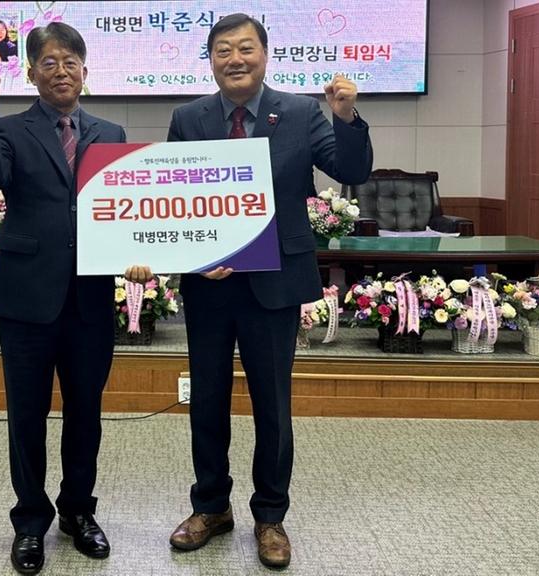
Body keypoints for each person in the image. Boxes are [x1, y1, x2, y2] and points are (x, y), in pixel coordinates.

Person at [165, 13, 373, 569]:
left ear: (265, 54)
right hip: (209, 284)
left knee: (273, 406)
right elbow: (176, 197)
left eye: (245, 48)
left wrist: (346, 116)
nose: (234, 59)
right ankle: (211, 507)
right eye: (223, 50)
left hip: (275, 281)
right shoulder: (188, 117)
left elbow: (351, 168)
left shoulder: (302, 112)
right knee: (207, 400)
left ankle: (270, 516)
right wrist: (190, 257)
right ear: (210, 60)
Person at [0, 22, 148, 575]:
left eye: (71, 61)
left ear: (85, 71)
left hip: (89, 297)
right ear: (31, 73)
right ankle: (29, 522)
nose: (61, 71)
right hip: (27, 297)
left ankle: (78, 512)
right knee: (26, 415)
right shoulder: (10, 129)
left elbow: (125, 207)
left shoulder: (111, 131)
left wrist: (136, 254)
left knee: (85, 414)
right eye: (49, 62)